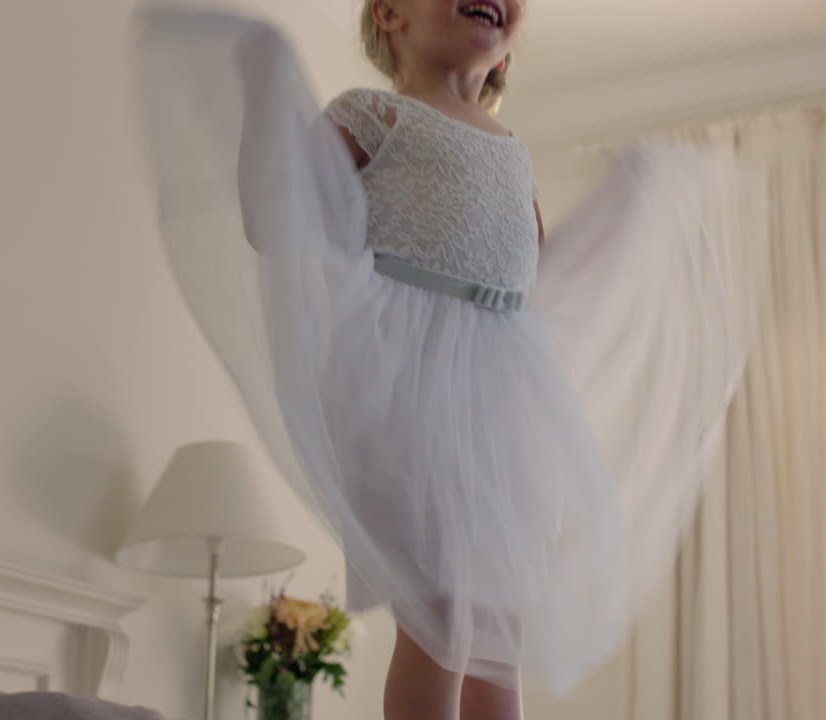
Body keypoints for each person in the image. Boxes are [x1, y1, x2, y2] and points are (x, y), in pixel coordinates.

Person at [129, 2, 752, 718]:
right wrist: (265, 75)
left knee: (496, 630)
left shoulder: (511, 152)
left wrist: (625, 206)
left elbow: (539, 283)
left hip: (501, 407)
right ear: (390, 13)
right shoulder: (373, 116)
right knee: (442, 616)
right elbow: (278, 216)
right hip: (406, 384)